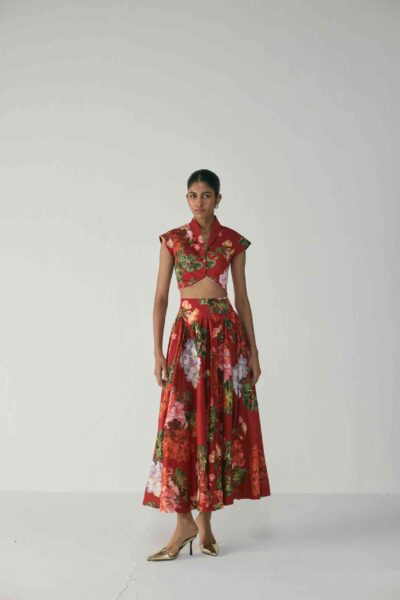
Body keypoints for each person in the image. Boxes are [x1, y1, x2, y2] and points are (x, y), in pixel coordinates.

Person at [143, 169, 271, 561]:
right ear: (186, 199)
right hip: (186, 338)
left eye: (206, 195)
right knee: (180, 424)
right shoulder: (172, 240)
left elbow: (242, 298)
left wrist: (253, 351)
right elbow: (161, 297)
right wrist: (157, 352)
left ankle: (206, 523)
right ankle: (183, 522)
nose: (199, 202)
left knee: (214, 423)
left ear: (218, 199)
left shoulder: (233, 241)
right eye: (193, 195)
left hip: (225, 340)